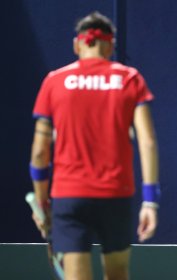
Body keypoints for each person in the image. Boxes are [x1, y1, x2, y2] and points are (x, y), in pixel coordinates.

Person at [29, 11, 160, 280]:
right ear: (110, 46)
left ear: (77, 44)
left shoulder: (54, 81)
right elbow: (147, 141)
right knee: (117, 274)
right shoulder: (130, 78)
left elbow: (40, 152)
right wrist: (150, 201)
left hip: (69, 198)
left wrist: (42, 203)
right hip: (116, 195)